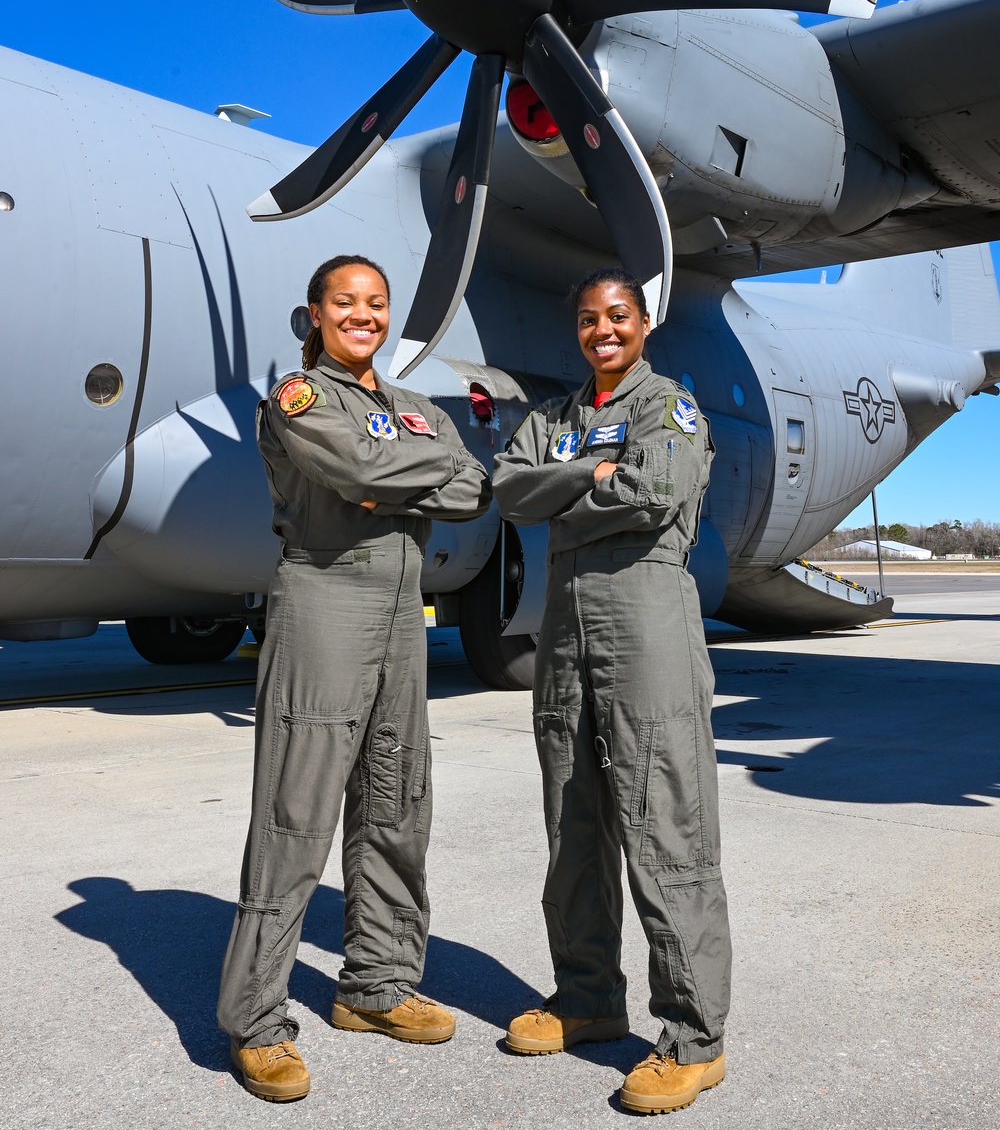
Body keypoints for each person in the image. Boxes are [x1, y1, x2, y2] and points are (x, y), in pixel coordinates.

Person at [218, 254, 491, 1102]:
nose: (363, 315)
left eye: (375, 303)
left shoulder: (413, 408)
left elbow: (476, 483)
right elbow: (366, 473)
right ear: (315, 315)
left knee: (396, 798)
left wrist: (404, 479)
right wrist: (414, 477)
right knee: (297, 812)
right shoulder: (299, 401)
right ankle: (256, 1021)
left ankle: (374, 983)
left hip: (401, 611)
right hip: (324, 601)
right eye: (346, 303)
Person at [492, 267, 731, 1116]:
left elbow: (656, 487)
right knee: (574, 829)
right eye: (590, 318)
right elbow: (506, 486)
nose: (603, 330)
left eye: (618, 316)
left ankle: (695, 1038)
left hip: (647, 639)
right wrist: (593, 479)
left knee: (666, 834)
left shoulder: (669, 407)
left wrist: (575, 488)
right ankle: (587, 997)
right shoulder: (556, 417)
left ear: (643, 324)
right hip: (565, 646)